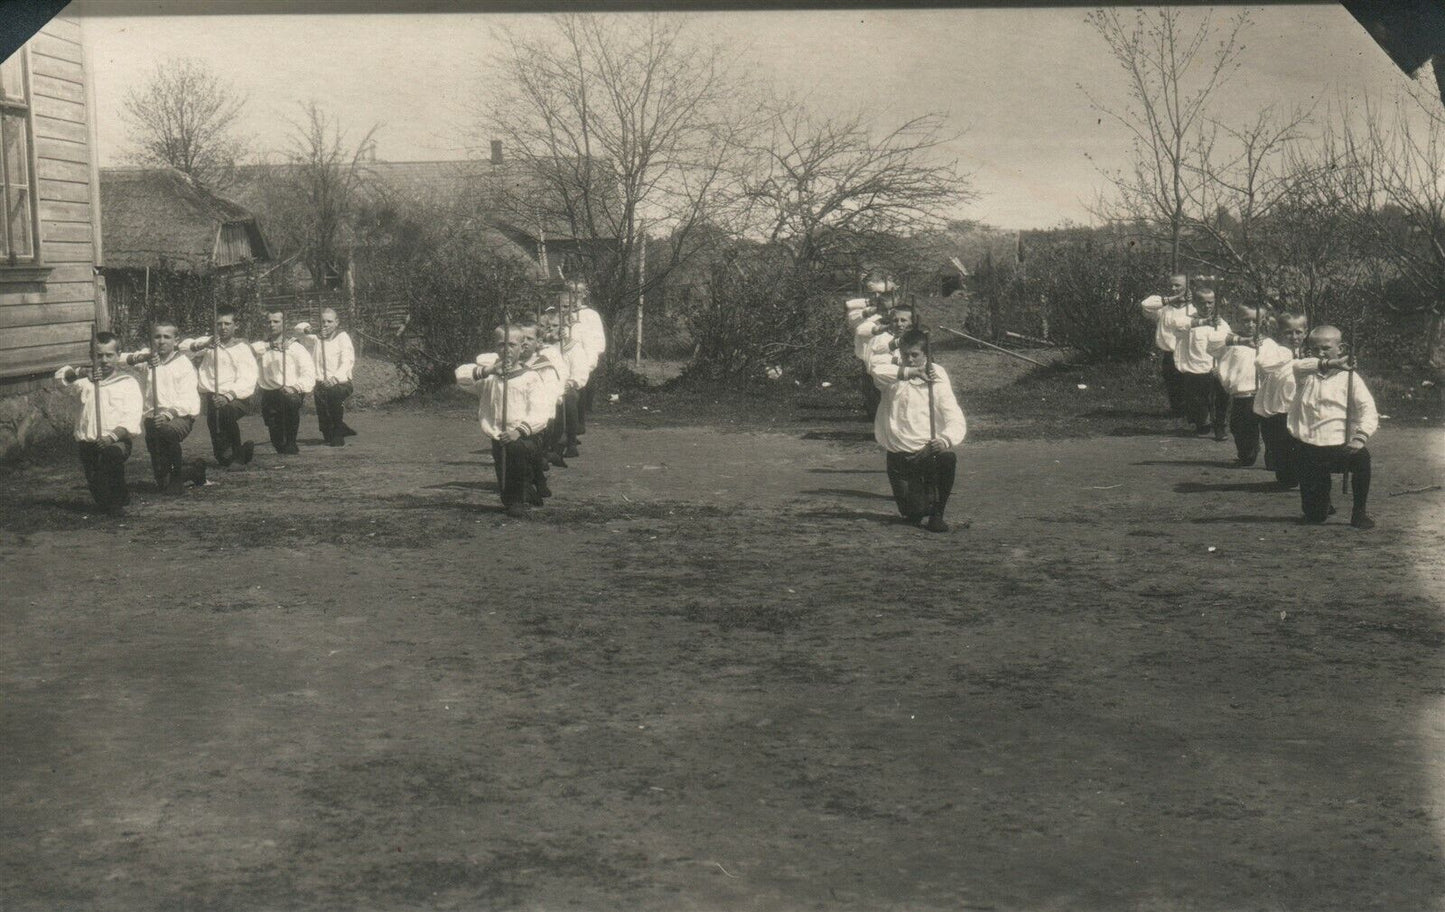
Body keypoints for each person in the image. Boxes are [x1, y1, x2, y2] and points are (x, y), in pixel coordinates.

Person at [869, 329, 968, 533]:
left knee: (947, 459)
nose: (910, 359)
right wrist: (911, 373)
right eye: (905, 354)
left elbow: (954, 416)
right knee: (913, 512)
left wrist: (945, 439)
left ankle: (937, 514)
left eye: (915, 355)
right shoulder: (892, 373)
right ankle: (921, 502)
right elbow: (875, 371)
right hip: (899, 454)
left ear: (926, 354)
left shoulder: (937, 376)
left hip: (926, 451)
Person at [454, 322, 556, 517]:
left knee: (517, 459)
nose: (506, 350)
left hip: (526, 435)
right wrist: (488, 370)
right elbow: (460, 377)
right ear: (495, 347)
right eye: (501, 345)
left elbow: (540, 410)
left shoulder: (530, 377)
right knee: (504, 472)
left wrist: (519, 431)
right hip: (499, 435)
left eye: (512, 345)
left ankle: (516, 501)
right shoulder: (490, 377)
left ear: (522, 348)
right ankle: (523, 493)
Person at [1288, 324, 1378, 529]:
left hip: (1341, 445)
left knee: (1362, 458)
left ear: (1341, 348)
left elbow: (1368, 409)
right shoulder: (1305, 374)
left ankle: (1359, 512)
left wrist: (1360, 436)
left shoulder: (1350, 378)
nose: (1320, 353)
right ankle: (1321, 503)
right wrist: (1331, 362)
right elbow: (1298, 366)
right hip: (1309, 446)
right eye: (1315, 349)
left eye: (1326, 348)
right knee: (1315, 517)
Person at [53, 333, 144, 514]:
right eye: (99, 355)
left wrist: (112, 437)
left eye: (109, 355)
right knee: (97, 486)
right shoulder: (84, 382)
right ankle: (116, 497)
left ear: (118, 355)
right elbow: (60, 379)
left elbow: (131, 416)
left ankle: (117, 501)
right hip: (88, 441)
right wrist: (81, 372)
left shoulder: (127, 383)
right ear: (91, 356)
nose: (104, 360)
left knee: (111, 459)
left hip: (116, 440)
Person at [123, 319, 206, 493]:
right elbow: (120, 359)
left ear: (176, 340)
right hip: (152, 417)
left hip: (179, 417)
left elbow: (188, 399)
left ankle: (177, 480)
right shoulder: (148, 360)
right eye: (157, 337)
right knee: (162, 480)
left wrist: (168, 415)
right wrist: (143, 357)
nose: (161, 341)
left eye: (167, 337)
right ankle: (195, 471)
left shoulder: (183, 364)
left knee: (166, 432)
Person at [181, 305, 258, 467]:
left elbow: (248, 379)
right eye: (219, 324)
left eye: (227, 323)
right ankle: (243, 450)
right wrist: (204, 344)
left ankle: (238, 456)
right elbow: (183, 348)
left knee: (226, 411)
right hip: (213, 398)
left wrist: (228, 396)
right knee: (221, 456)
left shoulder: (242, 348)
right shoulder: (209, 344)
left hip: (237, 399)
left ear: (235, 325)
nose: (223, 327)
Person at [1206, 305, 1269, 466]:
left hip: (1263, 394)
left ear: (1263, 321)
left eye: (1255, 321)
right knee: (1239, 427)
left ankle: (1272, 458)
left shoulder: (1268, 343)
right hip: (1241, 395)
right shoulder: (1230, 340)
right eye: (1246, 320)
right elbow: (1212, 345)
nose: (1250, 325)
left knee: (1269, 429)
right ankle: (1247, 454)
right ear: (1237, 320)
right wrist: (1242, 341)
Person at [1163, 286, 1231, 438]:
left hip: (1214, 369)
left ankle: (1220, 426)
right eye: (1202, 303)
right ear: (1194, 303)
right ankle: (1202, 422)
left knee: (1220, 397)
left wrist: (1221, 366)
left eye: (1210, 302)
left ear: (1214, 303)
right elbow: (1177, 327)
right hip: (1194, 368)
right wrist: (1204, 322)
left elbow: (1227, 347)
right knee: (1197, 400)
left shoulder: (1221, 324)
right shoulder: (1187, 319)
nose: (1206, 306)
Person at [1254, 312, 1308, 488]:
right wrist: (1287, 354)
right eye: (1288, 333)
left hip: (1298, 408)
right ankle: (1283, 470)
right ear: (1279, 333)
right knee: (1278, 445)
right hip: (1276, 409)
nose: (1294, 337)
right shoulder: (1275, 352)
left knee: (1297, 444)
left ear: (1305, 332)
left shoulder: (1309, 354)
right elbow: (1262, 364)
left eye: (1298, 332)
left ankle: (1298, 473)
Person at [251, 309, 317, 455]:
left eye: (276, 321)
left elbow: (308, 372)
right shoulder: (261, 347)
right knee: (277, 441)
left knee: (291, 402)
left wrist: (295, 387)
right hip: (269, 393)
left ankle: (292, 442)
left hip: (290, 392)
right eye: (269, 322)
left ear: (284, 324)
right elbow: (246, 352)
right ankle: (281, 442)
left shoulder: (295, 347)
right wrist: (271, 346)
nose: (272, 325)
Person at [294, 308, 357, 447]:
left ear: (336, 322)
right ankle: (340, 427)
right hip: (321, 385)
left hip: (340, 383)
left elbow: (347, 361)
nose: (326, 324)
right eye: (323, 321)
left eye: (329, 321)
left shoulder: (342, 337)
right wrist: (313, 330)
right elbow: (298, 330)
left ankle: (338, 431)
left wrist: (335, 379)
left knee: (333, 395)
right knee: (327, 435)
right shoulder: (316, 338)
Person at [1139, 273, 1194, 422]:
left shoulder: (1193, 309)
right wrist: (1174, 298)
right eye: (1171, 285)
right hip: (1169, 353)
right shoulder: (1163, 308)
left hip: (1188, 353)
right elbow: (1145, 305)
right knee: (1172, 383)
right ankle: (1177, 411)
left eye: (1178, 285)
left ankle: (1192, 413)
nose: (1173, 288)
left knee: (1189, 383)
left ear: (1187, 287)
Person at [564, 278, 607, 436]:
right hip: (563, 358)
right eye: (571, 292)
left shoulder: (590, 315)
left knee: (579, 392)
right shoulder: (560, 313)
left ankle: (577, 425)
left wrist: (589, 363)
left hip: (583, 359)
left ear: (584, 294)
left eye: (578, 292)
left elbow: (597, 341)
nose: (574, 296)